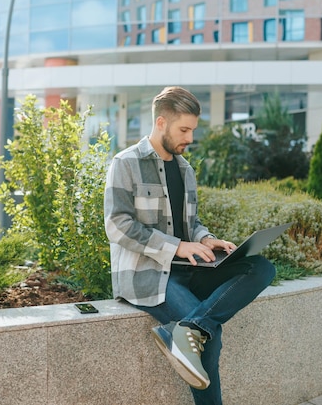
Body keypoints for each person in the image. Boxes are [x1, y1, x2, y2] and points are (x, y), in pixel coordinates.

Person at [104, 86, 276, 405]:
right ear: (160, 123)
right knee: (211, 337)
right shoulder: (125, 163)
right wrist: (176, 246)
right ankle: (193, 332)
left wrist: (204, 239)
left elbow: (191, 223)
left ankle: (187, 328)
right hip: (147, 275)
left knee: (261, 267)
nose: (190, 138)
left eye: (193, 130)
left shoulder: (185, 170)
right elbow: (117, 225)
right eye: (184, 130)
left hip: (188, 270)